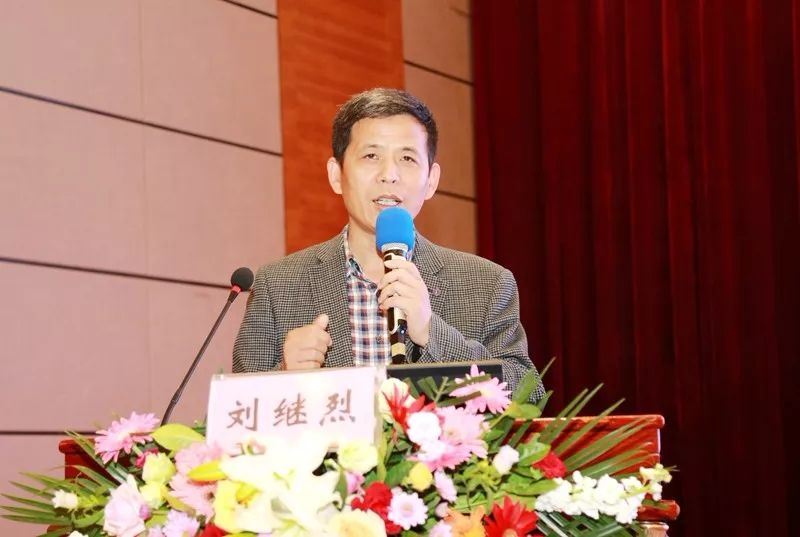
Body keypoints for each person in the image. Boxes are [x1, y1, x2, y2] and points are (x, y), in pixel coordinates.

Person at [233, 88, 544, 399]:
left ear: (431, 180)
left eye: (407, 158)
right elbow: (235, 409)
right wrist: (285, 373)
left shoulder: (486, 284)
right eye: (371, 156)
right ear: (336, 175)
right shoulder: (278, 285)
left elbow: (529, 397)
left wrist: (431, 332)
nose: (389, 175)